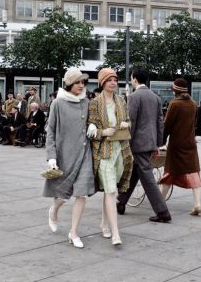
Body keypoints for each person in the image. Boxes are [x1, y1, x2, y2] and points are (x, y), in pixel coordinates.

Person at [43, 67, 95, 249]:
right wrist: (51, 157)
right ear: (69, 84)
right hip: (65, 155)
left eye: (83, 82)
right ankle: (54, 210)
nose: (82, 86)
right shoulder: (58, 103)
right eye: (78, 82)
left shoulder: (87, 102)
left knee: (81, 194)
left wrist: (93, 126)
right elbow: (50, 132)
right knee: (63, 196)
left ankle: (73, 233)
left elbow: (93, 120)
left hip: (84, 154)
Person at [117, 68, 171, 223]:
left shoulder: (133, 97)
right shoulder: (155, 97)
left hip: (137, 143)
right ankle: (121, 202)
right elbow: (160, 122)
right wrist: (158, 143)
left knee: (147, 178)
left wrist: (126, 142)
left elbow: (131, 122)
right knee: (134, 172)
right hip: (150, 142)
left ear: (134, 79)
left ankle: (162, 212)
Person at [87, 68, 133, 246]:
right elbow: (89, 130)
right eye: (109, 80)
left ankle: (104, 223)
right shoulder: (94, 103)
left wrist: (125, 123)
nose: (113, 82)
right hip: (104, 152)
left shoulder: (121, 100)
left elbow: (129, 121)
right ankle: (115, 233)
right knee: (111, 191)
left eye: (115, 80)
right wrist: (102, 132)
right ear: (102, 83)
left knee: (111, 190)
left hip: (121, 150)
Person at [160, 78, 201, 216]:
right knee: (193, 171)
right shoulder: (193, 104)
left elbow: (167, 126)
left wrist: (161, 141)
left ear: (175, 90)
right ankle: (197, 203)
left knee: (170, 171)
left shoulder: (174, 104)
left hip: (176, 143)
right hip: (190, 143)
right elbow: (194, 124)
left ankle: (160, 202)